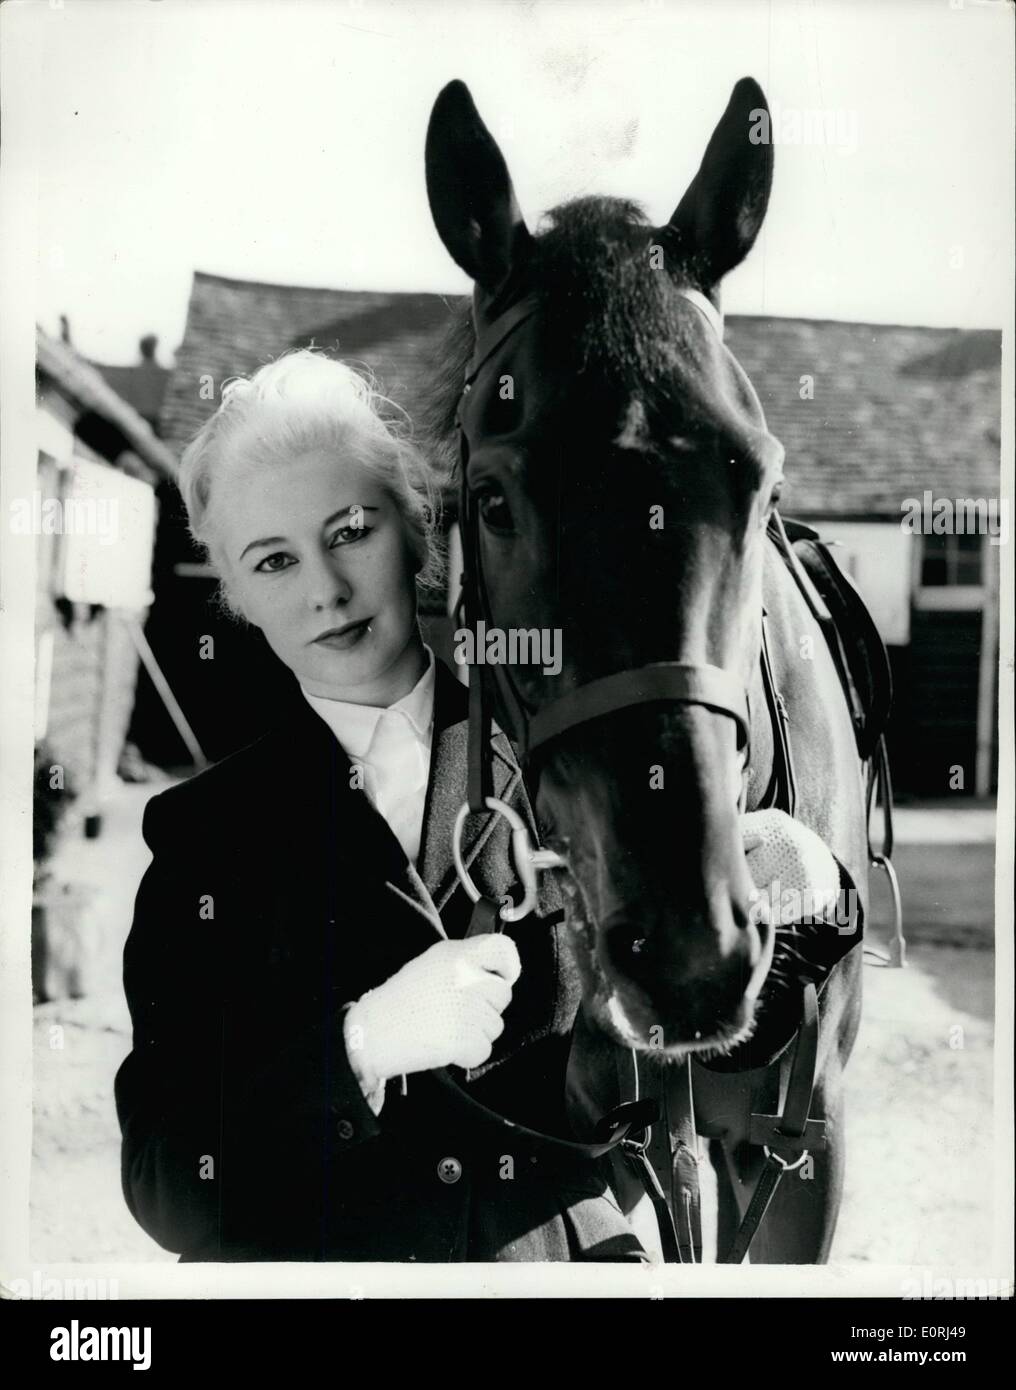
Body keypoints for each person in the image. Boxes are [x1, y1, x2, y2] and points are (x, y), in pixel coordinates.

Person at [114, 349, 844, 1263]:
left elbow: (726, 1050)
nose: (325, 590)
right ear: (236, 598)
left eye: (350, 531)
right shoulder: (205, 842)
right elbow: (167, 1184)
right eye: (273, 562)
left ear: (418, 527)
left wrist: (798, 892)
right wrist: (359, 1047)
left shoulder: (570, 771)